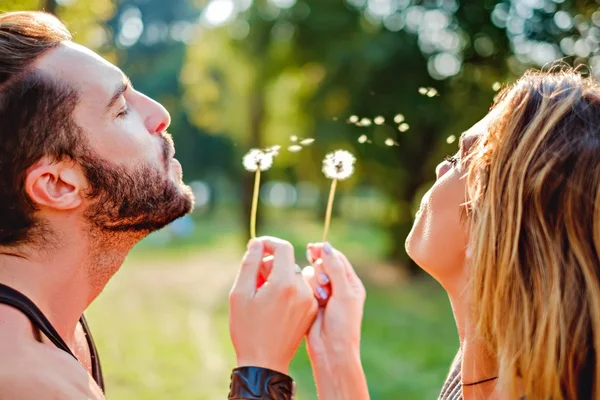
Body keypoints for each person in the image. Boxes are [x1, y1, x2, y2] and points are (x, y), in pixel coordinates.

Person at [0, 11, 364, 399]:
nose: (160, 114)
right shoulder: (29, 379)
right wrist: (262, 365)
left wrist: (336, 360)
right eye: (121, 109)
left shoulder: (46, 323)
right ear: (57, 184)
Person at [309, 69, 600, 399]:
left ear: (495, 223)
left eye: (462, 157)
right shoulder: (487, 368)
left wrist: (260, 370)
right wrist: (336, 353)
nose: (440, 168)